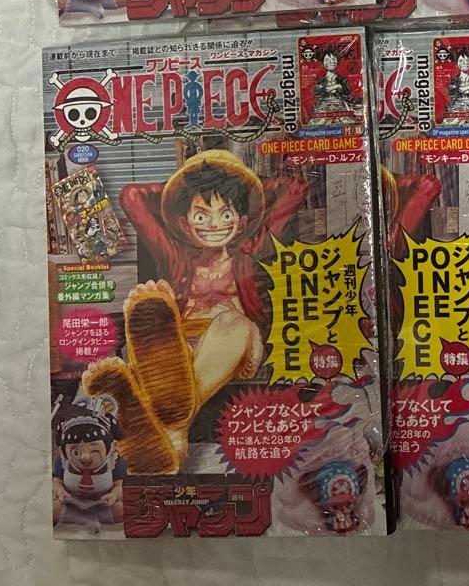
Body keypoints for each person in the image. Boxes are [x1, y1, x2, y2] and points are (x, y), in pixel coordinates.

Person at [81, 150, 306, 473]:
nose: (214, 224)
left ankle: (169, 426)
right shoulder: (176, 256)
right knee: (159, 341)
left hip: (233, 345)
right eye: (201, 217)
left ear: (242, 222)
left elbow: (294, 189)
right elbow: (132, 196)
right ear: (185, 225)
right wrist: (184, 185)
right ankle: (170, 435)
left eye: (226, 215)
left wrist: (227, 175)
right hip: (177, 349)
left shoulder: (252, 252)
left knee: (233, 323)